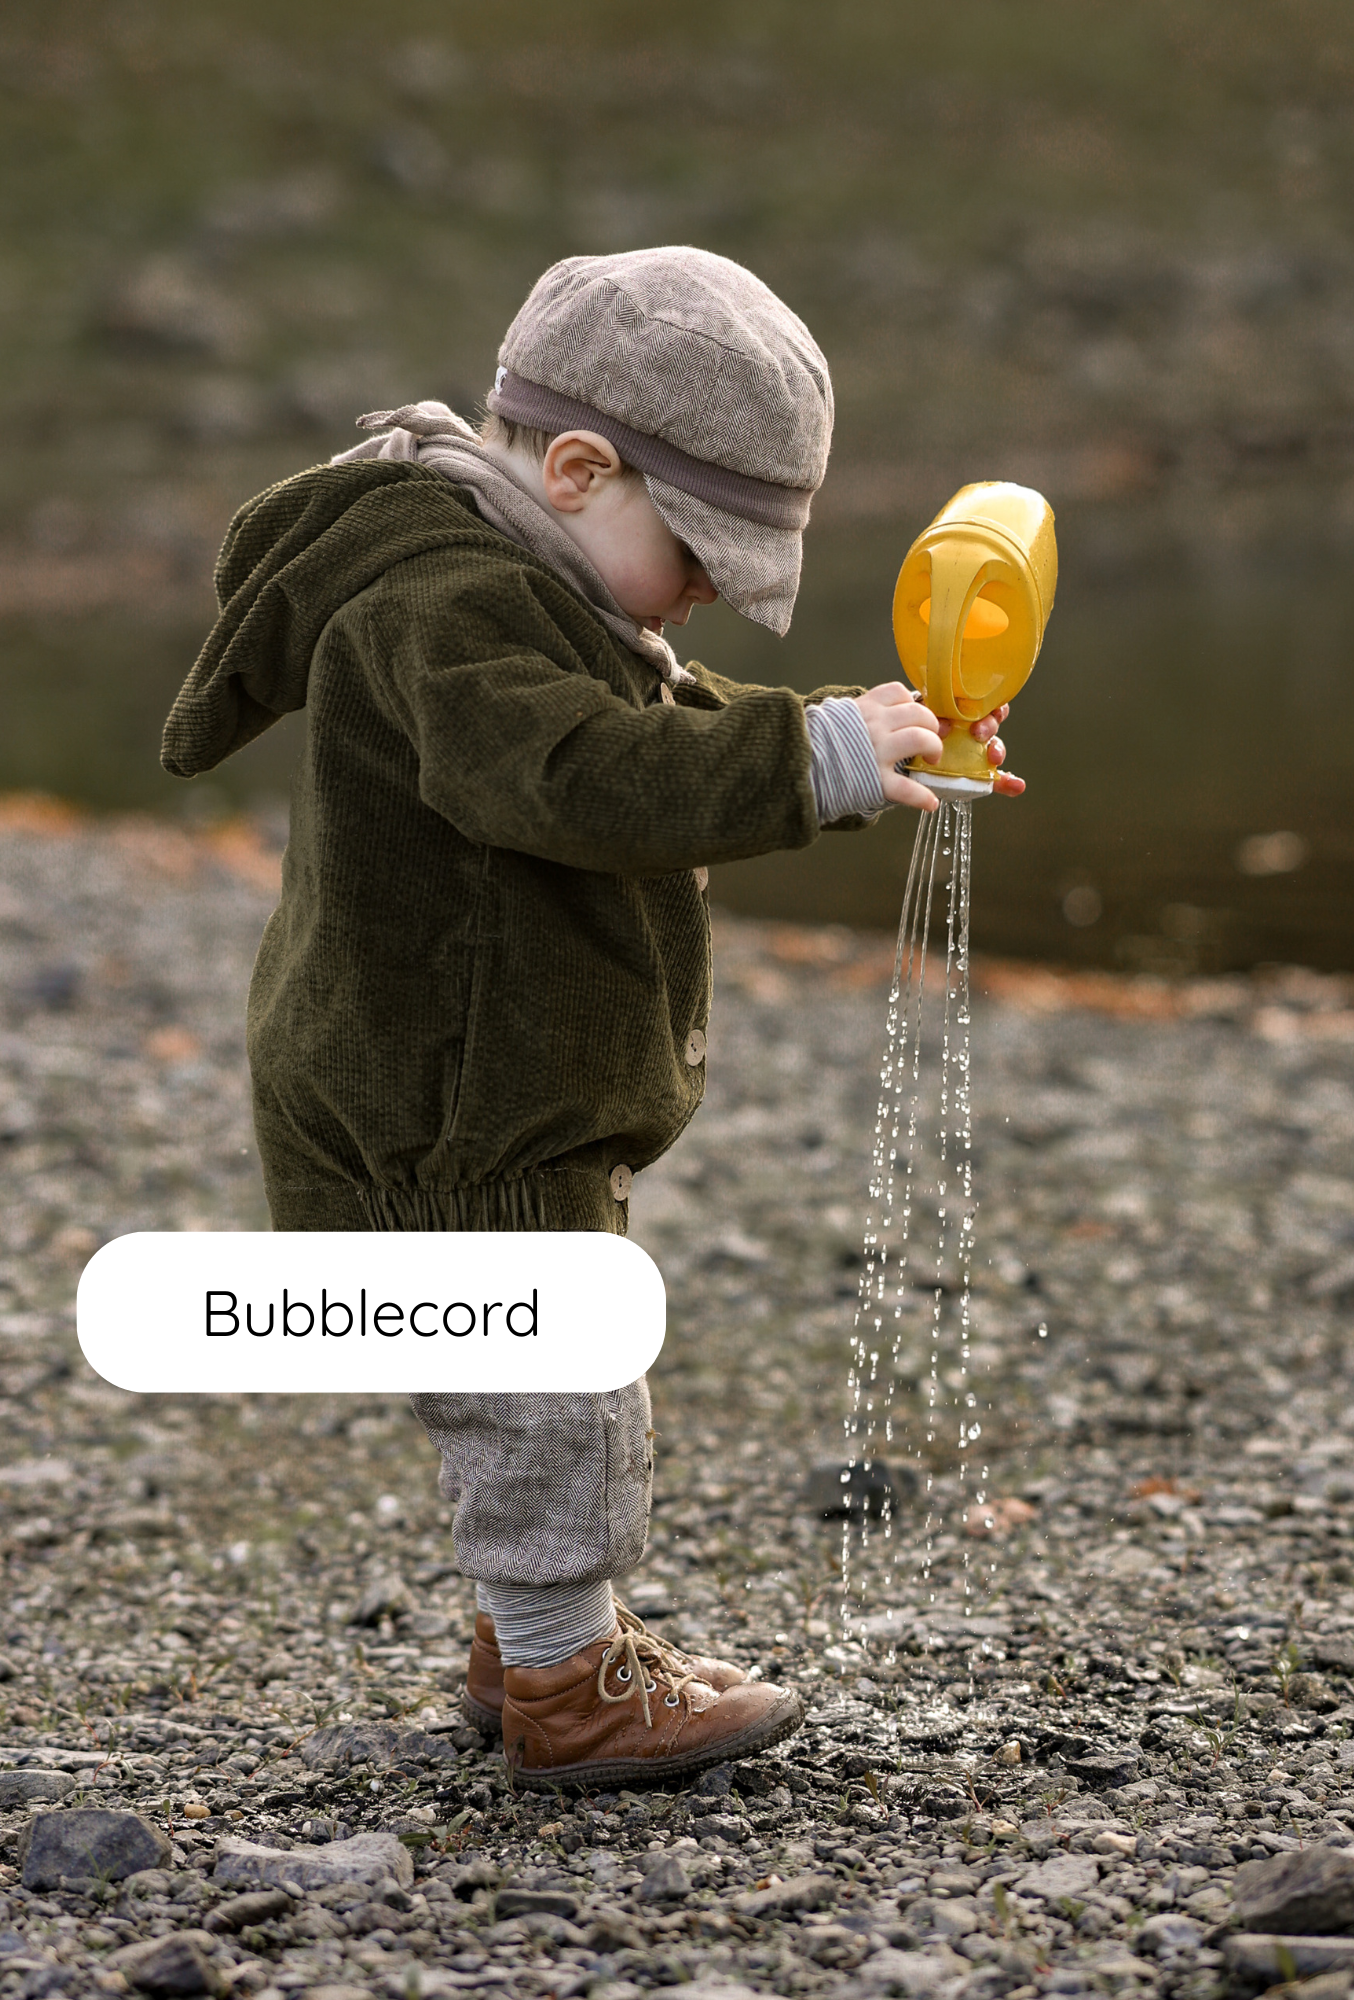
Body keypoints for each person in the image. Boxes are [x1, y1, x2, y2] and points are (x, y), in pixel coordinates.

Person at [162, 247, 1021, 1789]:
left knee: (534, 1386)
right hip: (445, 1102)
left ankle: (534, 1639)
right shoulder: (440, 603)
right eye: (695, 556)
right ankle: (569, 1689)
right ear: (576, 468)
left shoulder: (516, 579)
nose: (699, 600)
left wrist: (846, 751)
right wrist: (808, 759)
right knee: (558, 1389)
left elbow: (644, 719)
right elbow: (568, 773)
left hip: (475, 1082)